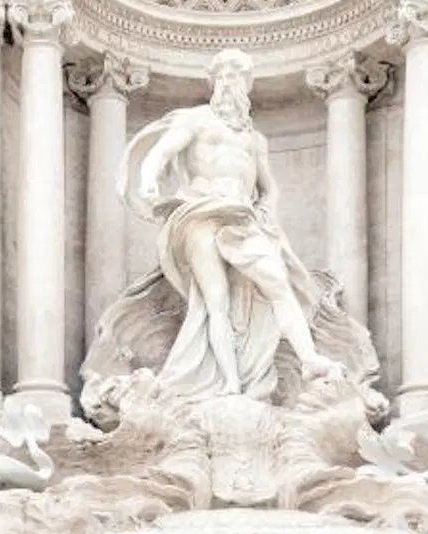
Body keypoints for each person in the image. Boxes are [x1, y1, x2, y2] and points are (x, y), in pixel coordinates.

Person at [125, 50, 334, 403]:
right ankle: (230, 383)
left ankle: (309, 359)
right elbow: (160, 154)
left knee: (279, 284)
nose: (226, 83)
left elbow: (269, 188)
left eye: (234, 76)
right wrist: (148, 180)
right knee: (215, 300)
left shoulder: (255, 140)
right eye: (220, 76)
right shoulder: (196, 120)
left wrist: (267, 211)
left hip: (243, 218)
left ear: (246, 84)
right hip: (200, 213)